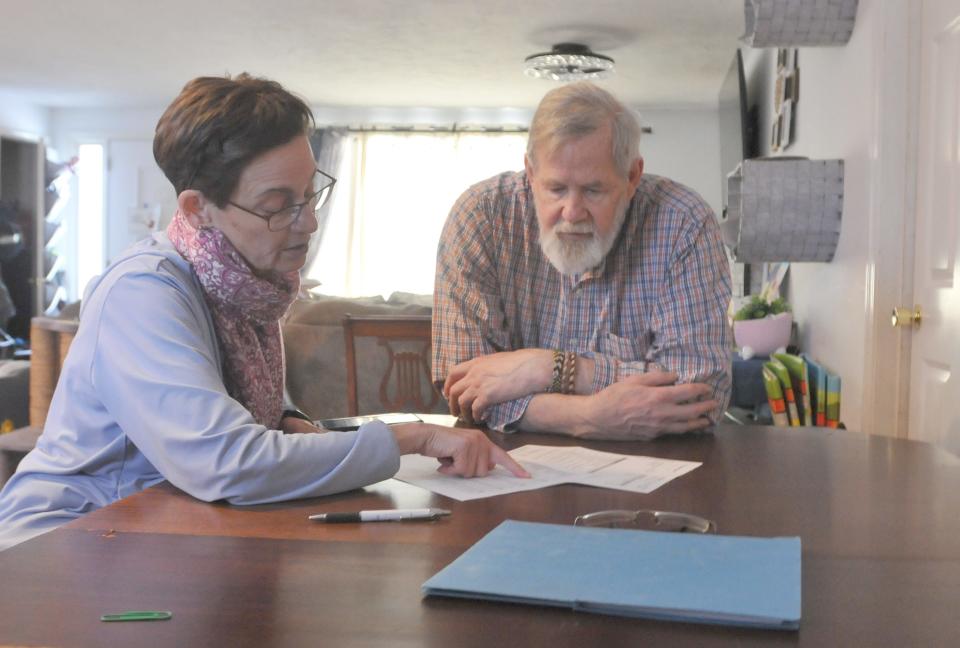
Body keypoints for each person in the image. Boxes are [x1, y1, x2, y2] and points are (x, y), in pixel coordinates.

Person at [0, 74, 526, 552]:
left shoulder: (246, 280)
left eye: (309, 194)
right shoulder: (142, 293)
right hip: (66, 543)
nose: (308, 224)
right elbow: (228, 462)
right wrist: (415, 436)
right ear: (196, 208)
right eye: (278, 205)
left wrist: (293, 424)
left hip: (165, 527)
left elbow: (259, 414)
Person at [433, 82, 731, 440]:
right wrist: (587, 417)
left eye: (594, 190)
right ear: (530, 172)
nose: (572, 213)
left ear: (632, 176)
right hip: (506, 473)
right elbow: (464, 388)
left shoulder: (683, 223)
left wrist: (547, 368)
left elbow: (702, 393)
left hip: (651, 473)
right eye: (556, 189)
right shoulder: (481, 217)